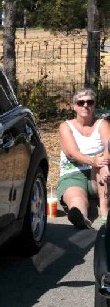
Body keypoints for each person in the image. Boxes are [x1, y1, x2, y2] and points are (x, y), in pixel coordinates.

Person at [58, 88, 110, 229]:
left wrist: (103, 163)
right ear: (74, 106)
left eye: (89, 102)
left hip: (98, 174)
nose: (85, 105)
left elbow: (108, 146)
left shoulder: (102, 124)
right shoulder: (65, 126)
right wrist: (93, 160)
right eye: (81, 103)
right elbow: (72, 153)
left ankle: (104, 213)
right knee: (77, 198)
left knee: (102, 164)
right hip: (73, 174)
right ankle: (81, 216)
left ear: (94, 106)